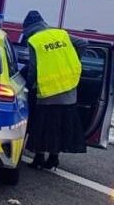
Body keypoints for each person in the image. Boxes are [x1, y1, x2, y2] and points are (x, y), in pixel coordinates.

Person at [20, 10, 87, 170]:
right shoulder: (61, 34)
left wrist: (29, 85)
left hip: (48, 90)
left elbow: (34, 68)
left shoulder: (34, 40)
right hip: (68, 88)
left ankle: (39, 158)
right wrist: (72, 61)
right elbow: (83, 43)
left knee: (44, 126)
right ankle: (54, 158)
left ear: (28, 28)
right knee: (60, 125)